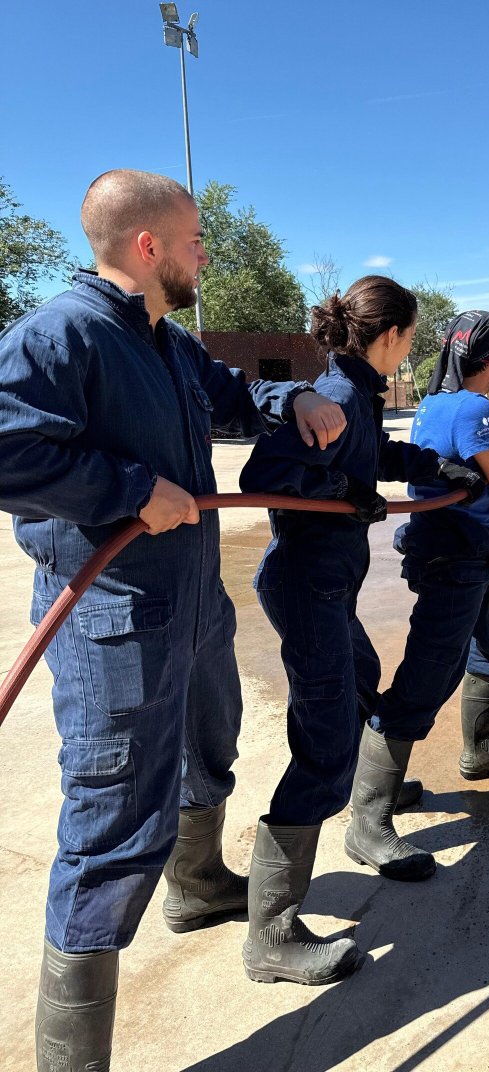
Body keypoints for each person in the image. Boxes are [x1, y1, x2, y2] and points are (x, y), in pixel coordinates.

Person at [0, 170, 346, 1072]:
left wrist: (294, 398)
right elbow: (7, 448)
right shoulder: (61, 335)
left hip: (193, 609)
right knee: (112, 829)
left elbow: (232, 395)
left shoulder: (168, 342)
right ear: (146, 246)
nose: (205, 256)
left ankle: (194, 887)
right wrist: (126, 490)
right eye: (195, 241)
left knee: (208, 750)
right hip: (114, 622)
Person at [238, 275, 483, 983]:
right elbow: (263, 474)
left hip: (326, 584)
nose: (410, 349)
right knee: (326, 745)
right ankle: (272, 934)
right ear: (393, 336)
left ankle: (363, 816)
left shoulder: (356, 394)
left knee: (362, 680)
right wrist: (343, 492)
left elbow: (372, 455)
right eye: (411, 337)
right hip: (306, 583)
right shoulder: (340, 395)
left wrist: (441, 468)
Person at [343, 309, 489, 881]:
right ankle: (368, 819)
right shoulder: (477, 408)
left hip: (455, 549)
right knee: (426, 679)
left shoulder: (433, 404)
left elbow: (474, 470)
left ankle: (483, 752)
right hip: (457, 560)